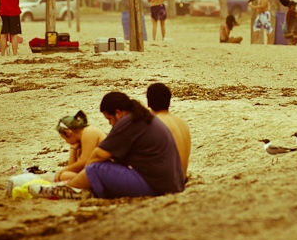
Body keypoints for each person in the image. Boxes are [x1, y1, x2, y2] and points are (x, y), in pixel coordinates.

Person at [32, 91, 184, 200]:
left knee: (95, 168)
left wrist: (86, 175)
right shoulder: (143, 118)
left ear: (118, 113)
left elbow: (97, 156)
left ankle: (65, 189)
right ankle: (73, 186)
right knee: (100, 168)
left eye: (109, 119)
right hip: (170, 183)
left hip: (156, 186)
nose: (110, 124)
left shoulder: (128, 121)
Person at [146, 83, 191, 181]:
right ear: (169, 102)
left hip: (168, 181)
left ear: (148, 103)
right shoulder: (182, 123)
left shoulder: (155, 123)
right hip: (182, 179)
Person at [53, 111, 107, 183]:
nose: (66, 141)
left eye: (64, 138)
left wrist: (61, 172)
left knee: (63, 176)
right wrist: (73, 149)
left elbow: (85, 162)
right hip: (97, 172)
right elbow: (72, 167)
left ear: (68, 132)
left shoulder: (88, 131)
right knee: (64, 175)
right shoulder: (80, 142)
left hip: (106, 171)